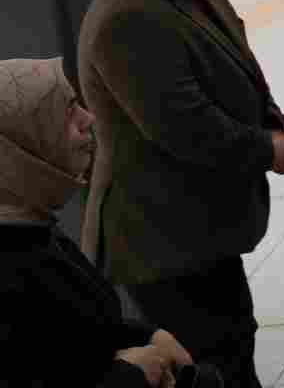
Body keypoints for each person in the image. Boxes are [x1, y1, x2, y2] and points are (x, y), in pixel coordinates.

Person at [79, 0, 284, 388]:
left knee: (234, 342)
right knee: (211, 361)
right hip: (162, 243)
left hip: (197, 231)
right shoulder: (127, 16)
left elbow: (238, 61)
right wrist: (267, 147)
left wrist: (271, 118)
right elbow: (186, 126)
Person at [0, 56, 215, 388]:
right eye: (67, 110)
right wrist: (130, 376)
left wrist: (149, 334)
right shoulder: (12, 261)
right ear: (21, 146)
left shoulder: (31, 229)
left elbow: (73, 331)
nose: (88, 118)